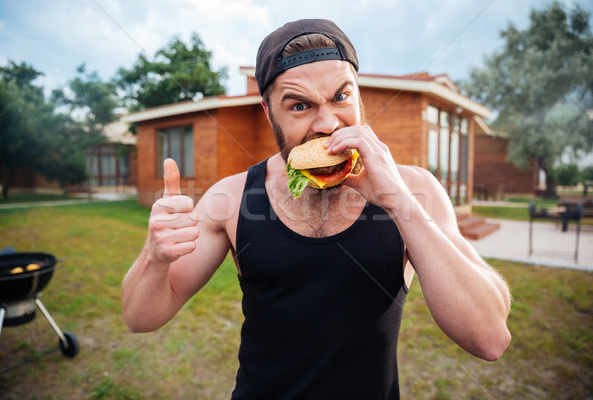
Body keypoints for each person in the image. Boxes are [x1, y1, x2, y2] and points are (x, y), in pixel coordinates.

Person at [122, 19, 511, 399]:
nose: (327, 124)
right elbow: (141, 318)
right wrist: (154, 256)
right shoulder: (232, 199)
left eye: (341, 97)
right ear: (267, 110)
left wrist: (399, 202)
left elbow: (489, 338)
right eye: (300, 105)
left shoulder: (415, 190)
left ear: (358, 95)